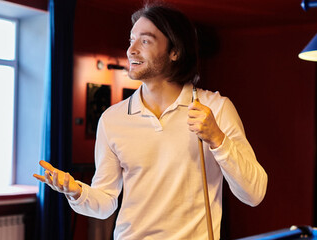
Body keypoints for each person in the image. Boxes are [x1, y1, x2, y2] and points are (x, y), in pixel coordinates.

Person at [34, 4, 267, 239]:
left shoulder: (215, 108)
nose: (131, 50)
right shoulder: (112, 119)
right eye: (131, 40)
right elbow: (105, 202)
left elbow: (254, 193)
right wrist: (76, 192)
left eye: (145, 41)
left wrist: (218, 139)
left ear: (174, 51)